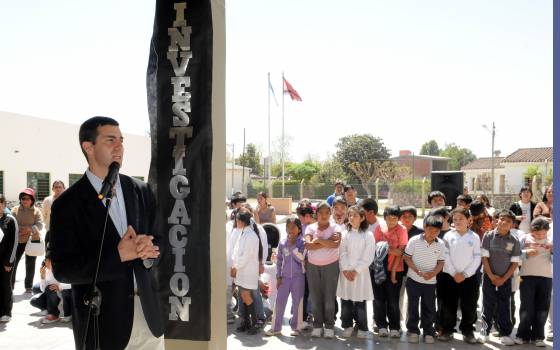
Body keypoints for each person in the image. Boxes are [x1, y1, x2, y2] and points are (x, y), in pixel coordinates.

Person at [49, 116, 163, 350]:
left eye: (121, 140)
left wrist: (149, 250)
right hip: (103, 325)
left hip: (149, 319)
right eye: (110, 140)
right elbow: (63, 270)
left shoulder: (140, 190)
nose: (119, 146)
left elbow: (160, 240)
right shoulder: (67, 204)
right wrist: (118, 255)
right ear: (88, 147)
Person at [439, 207, 481, 344]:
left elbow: (477, 258)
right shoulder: (448, 236)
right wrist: (453, 273)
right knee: (448, 304)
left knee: (469, 305)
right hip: (450, 277)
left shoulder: (474, 237)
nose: (457, 221)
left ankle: (468, 330)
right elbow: (445, 256)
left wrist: (465, 274)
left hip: (469, 278)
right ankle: (447, 330)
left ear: (469, 220)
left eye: (461, 219)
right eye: (455, 219)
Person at [479, 209, 521, 346]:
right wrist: (491, 276)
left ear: (512, 225)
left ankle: (505, 333)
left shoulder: (514, 240)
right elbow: (484, 258)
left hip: (506, 279)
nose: (504, 222)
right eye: (502, 219)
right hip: (489, 277)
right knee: (487, 304)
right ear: (497, 220)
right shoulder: (488, 236)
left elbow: (515, 263)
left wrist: (503, 278)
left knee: (505, 306)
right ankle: (485, 332)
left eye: (508, 221)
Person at [403, 215, 445, 344]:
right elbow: (407, 257)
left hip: (430, 282)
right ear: (424, 227)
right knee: (412, 306)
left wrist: (433, 274)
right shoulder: (415, 240)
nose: (433, 233)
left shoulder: (441, 244)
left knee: (429, 307)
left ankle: (428, 331)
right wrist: (416, 270)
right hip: (413, 280)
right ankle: (413, 330)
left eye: (437, 231)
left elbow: (441, 263)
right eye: (430, 229)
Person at [304, 202, 341, 338]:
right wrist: (327, 241)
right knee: (315, 297)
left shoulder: (335, 227)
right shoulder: (310, 227)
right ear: (316, 214)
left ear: (330, 213)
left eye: (327, 212)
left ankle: (329, 326)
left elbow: (336, 245)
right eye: (321, 213)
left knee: (329, 297)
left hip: (331, 266)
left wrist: (318, 240)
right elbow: (308, 246)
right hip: (312, 266)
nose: (324, 215)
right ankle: (318, 325)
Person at [337, 206, 375, 339]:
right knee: (346, 300)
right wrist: (346, 269)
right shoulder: (345, 233)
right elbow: (342, 252)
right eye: (350, 215)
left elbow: (368, 256)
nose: (352, 218)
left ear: (362, 218)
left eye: (355, 215)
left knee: (360, 301)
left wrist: (356, 271)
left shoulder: (368, 235)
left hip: (361, 274)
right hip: (345, 272)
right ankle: (347, 325)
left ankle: (363, 327)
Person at [514, 218, 553, 346]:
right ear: (532, 230)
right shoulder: (524, 238)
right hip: (527, 277)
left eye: (543, 233)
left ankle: (538, 337)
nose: (541, 236)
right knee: (527, 307)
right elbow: (515, 255)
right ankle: (522, 335)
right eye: (538, 234)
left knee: (542, 308)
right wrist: (526, 253)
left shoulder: (551, 241)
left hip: (546, 277)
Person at [265, 217, 305, 337]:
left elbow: (301, 259)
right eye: (288, 227)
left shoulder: (302, 243)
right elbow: (279, 261)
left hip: (298, 278)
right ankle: (276, 328)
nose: (290, 230)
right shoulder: (282, 243)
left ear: (299, 229)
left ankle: (296, 327)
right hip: (284, 278)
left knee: (297, 302)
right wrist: (278, 276)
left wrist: (293, 246)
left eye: (293, 227)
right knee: (280, 302)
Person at [373, 205, 408, 338]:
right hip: (378, 269)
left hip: (396, 270)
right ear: (385, 217)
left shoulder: (402, 230)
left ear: (398, 219)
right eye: (389, 218)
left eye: (394, 218)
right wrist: (389, 249)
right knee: (379, 299)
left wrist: (393, 272)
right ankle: (381, 325)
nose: (391, 221)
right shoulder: (379, 228)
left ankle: (395, 327)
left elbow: (400, 252)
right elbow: (375, 248)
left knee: (393, 300)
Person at [231, 210, 263, 335]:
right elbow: (237, 251)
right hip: (242, 271)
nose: (236, 222)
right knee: (243, 296)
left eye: (238, 220)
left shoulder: (251, 236)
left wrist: (236, 267)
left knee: (246, 296)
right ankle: (247, 322)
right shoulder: (243, 233)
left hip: (247, 271)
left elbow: (246, 256)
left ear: (242, 221)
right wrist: (235, 265)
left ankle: (254, 323)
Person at [11, 187, 44, 293]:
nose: (25, 200)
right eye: (23, 198)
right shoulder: (15, 210)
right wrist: (21, 229)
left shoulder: (37, 211)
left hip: (32, 241)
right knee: (13, 263)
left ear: (32, 200)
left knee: (30, 264)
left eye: (28, 198)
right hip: (18, 241)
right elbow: (11, 223)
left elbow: (40, 225)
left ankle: (28, 286)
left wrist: (29, 229)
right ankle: (10, 285)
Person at [30, 254, 72, 324]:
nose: (45, 262)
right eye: (45, 260)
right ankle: (47, 309)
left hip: (63, 297)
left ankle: (54, 314)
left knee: (50, 288)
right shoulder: (47, 271)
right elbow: (43, 289)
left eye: (47, 260)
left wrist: (59, 287)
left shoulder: (63, 270)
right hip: (53, 296)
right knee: (34, 300)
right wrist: (42, 277)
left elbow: (72, 284)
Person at [398, 206, 424, 322]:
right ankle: (397, 321)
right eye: (404, 216)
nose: (406, 219)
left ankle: (411, 323)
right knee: (399, 296)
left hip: (415, 270)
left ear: (414, 219)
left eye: (410, 216)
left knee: (413, 299)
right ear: (399, 218)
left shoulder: (421, 233)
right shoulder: (395, 230)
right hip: (399, 270)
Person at [0, 194, 18, 323]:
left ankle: (7, 312)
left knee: (5, 285)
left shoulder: (10, 220)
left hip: (6, 260)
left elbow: (14, 242)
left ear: (4, 205)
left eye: (1, 203)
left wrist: (9, 262)